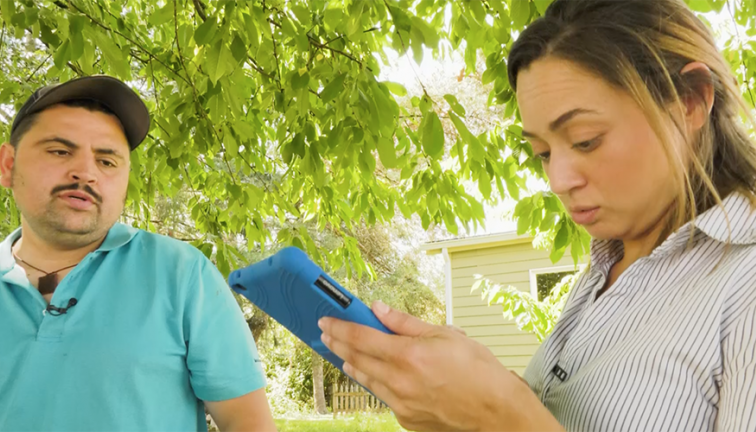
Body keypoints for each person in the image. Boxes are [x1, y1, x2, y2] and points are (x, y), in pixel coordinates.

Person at [318, 0, 756, 430]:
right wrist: (461, 401)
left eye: (585, 140)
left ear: (691, 101)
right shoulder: (605, 269)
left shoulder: (744, 281)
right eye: (542, 153)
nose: (559, 180)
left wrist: (501, 415)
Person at [0, 76, 277, 432]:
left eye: (107, 161)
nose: (86, 172)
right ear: (8, 164)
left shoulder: (182, 274)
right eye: (60, 151)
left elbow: (247, 424)